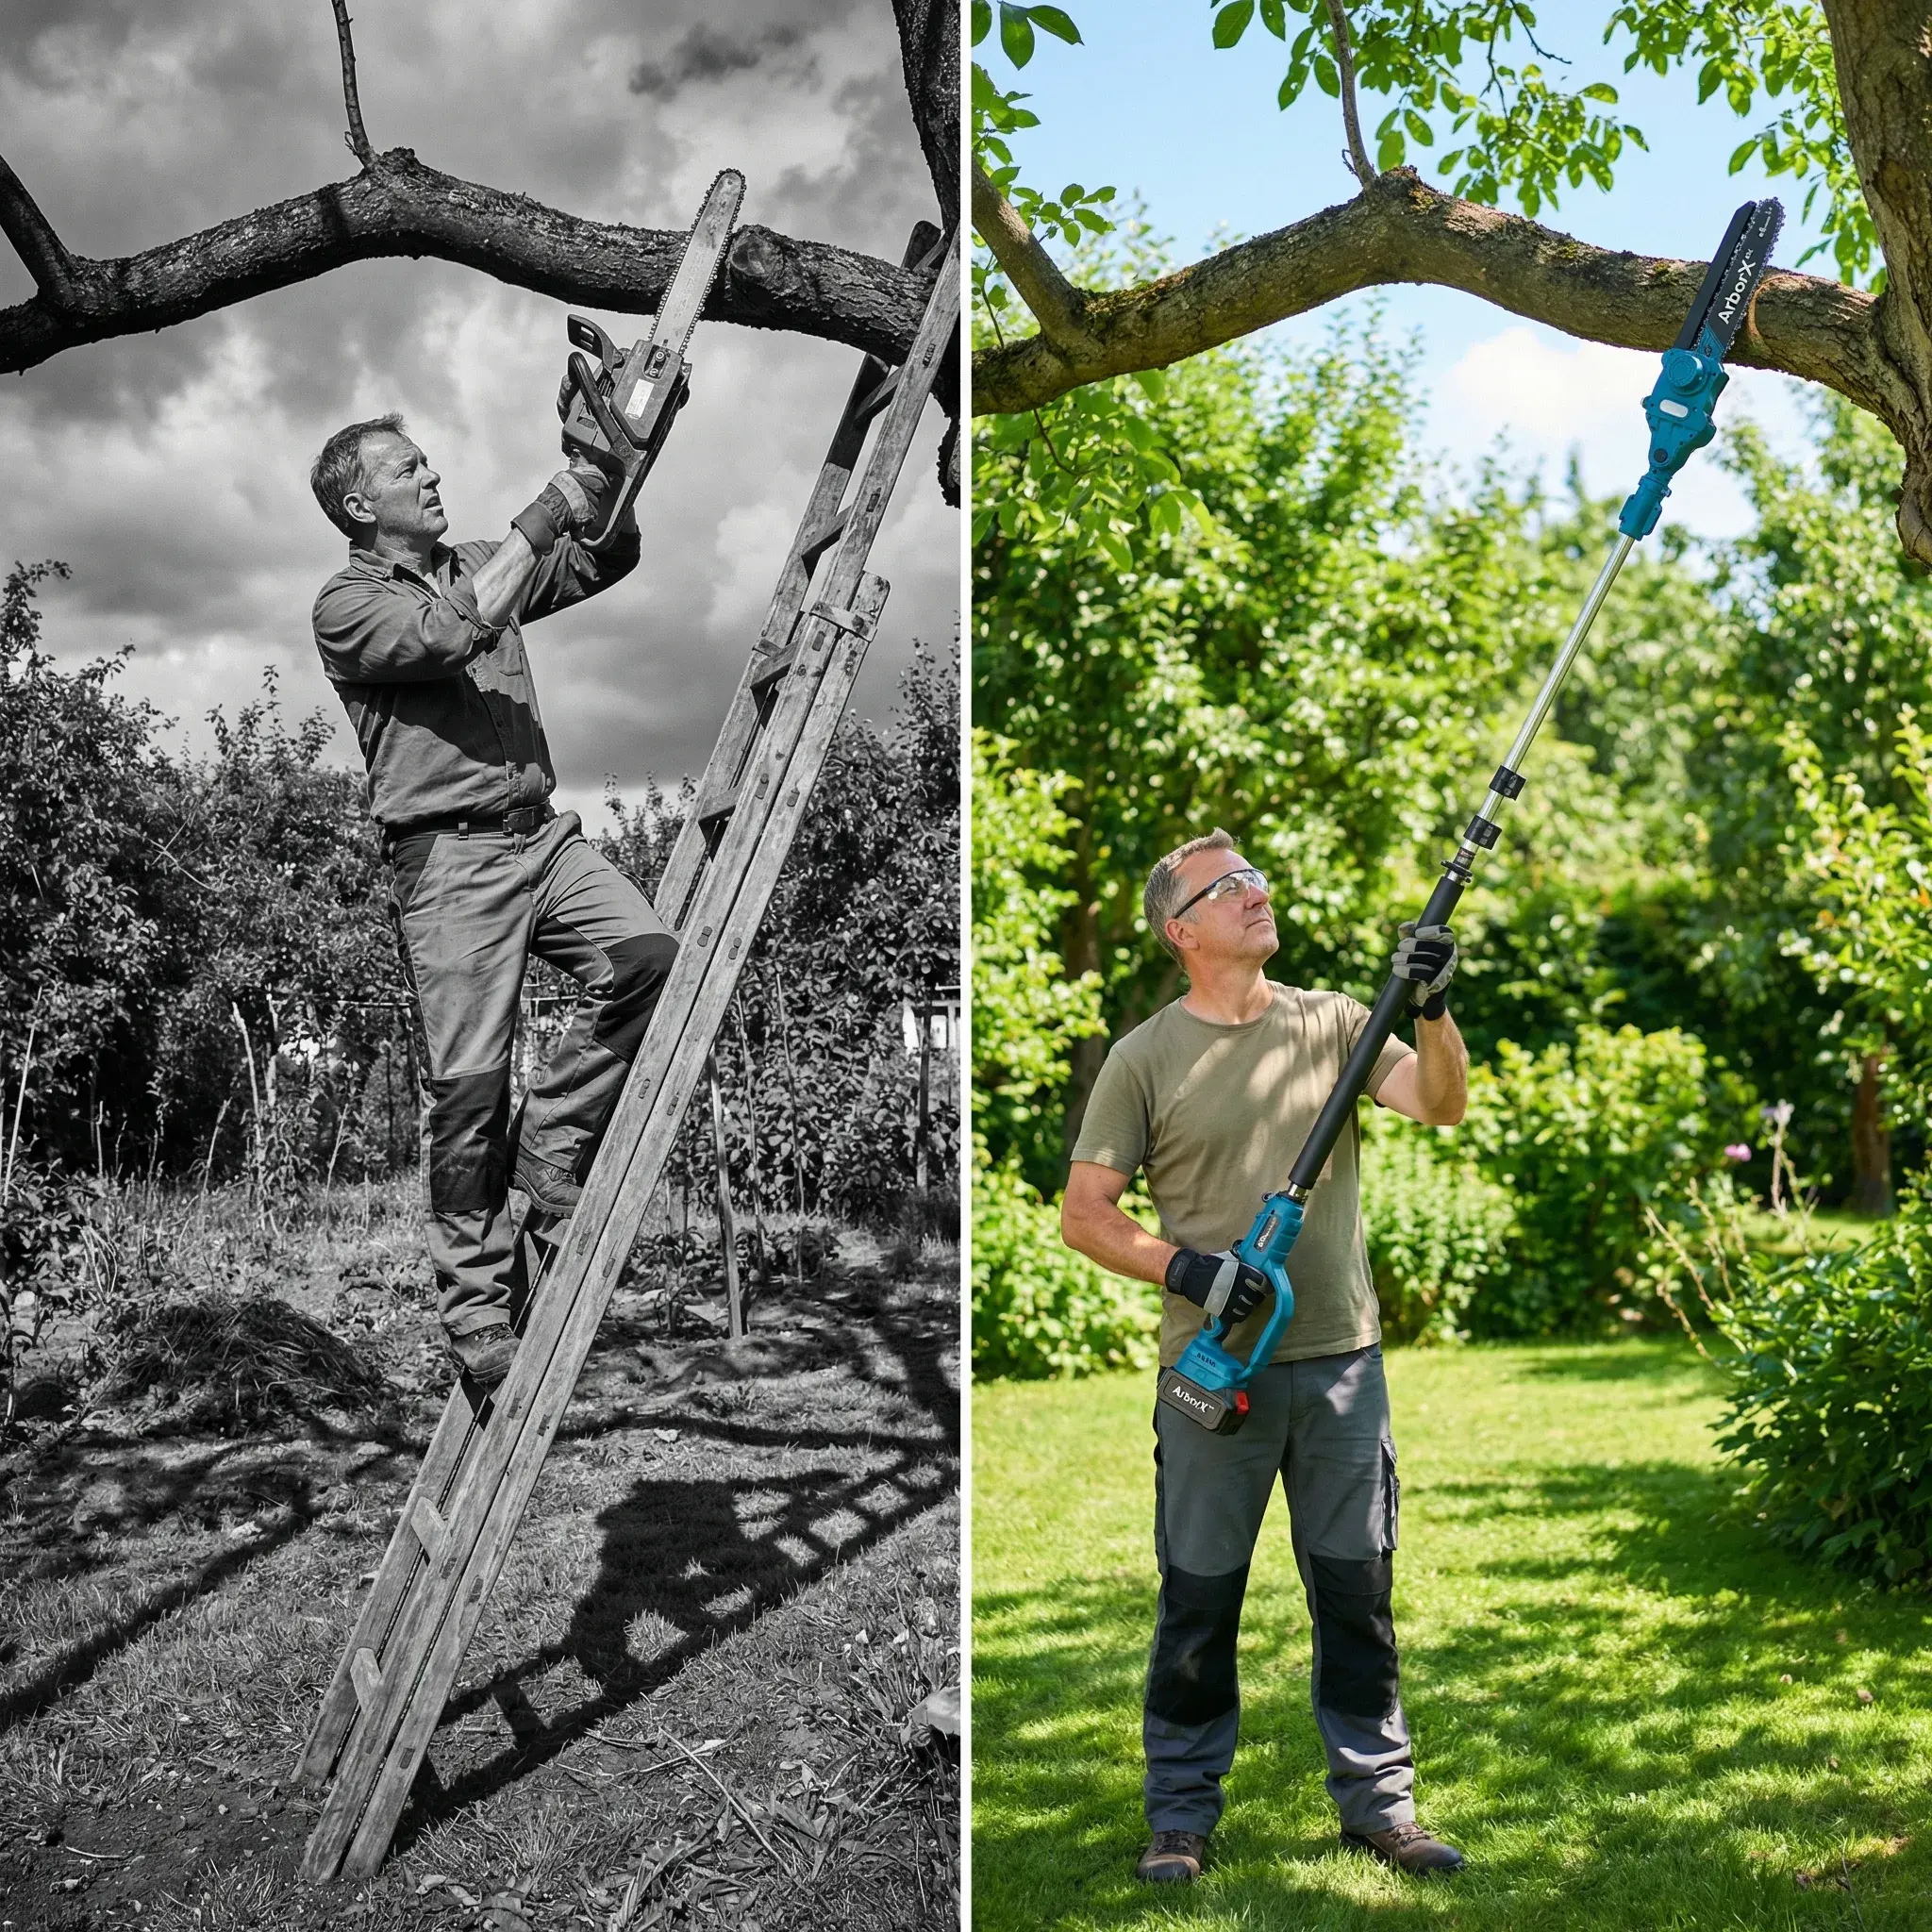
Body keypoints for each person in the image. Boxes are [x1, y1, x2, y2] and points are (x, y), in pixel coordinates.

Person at [1060, 827, 1470, 1883]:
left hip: (1341, 1365)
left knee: (1354, 1591)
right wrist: (1188, 1271)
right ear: (1179, 927)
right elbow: (1085, 1216)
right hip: (1215, 1380)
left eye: (1255, 876)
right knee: (1198, 1597)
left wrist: (1426, 1008)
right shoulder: (1143, 1056)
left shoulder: (1335, 1021)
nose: (1256, 890)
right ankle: (1180, 1816)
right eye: (1227, 884)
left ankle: (1380, 1806)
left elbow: (1439, 1100)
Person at [308, 413, 676, 1387]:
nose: (432, 473)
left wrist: (623, 453)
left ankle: (550, 1142)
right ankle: (476, 1307)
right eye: (407, 467)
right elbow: (450, 629)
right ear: (358, 503)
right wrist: (552, 500)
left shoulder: (482, 557)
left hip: (538, 835)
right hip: (449, 863)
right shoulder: (345, 603)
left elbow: (601, 557)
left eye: (428, 458)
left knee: (647, 960)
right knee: (466, 1092)